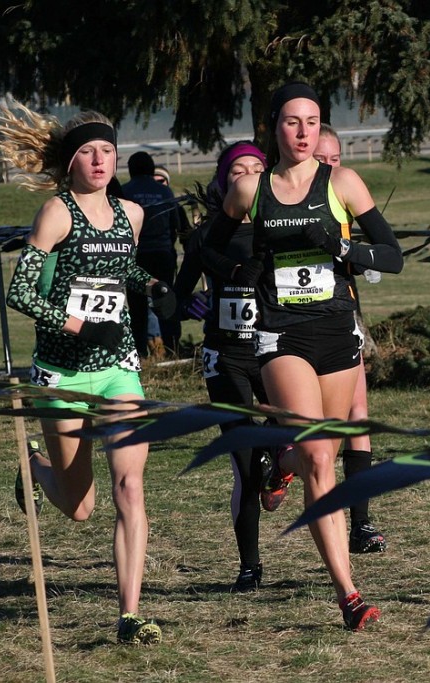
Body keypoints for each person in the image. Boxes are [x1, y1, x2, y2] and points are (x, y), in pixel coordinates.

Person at [204, 82, 403, 630]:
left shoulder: (343, 181)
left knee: (323, 454)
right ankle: (348, 594)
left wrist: (340, 245)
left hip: (336, 333)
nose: (303, 132)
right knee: (319, 457)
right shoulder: (251, 189)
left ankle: (275, 462)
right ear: (274, 127)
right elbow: (208, 247)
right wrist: (237, 273)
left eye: (312, 122)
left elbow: (392, 256)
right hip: (280, 336)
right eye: (292, 122)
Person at [0, 103, 177, 644]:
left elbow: (123, 270)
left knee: (130, 487)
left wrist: (154, 287)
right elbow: (20, 291)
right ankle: (36, 469)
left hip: (117, 367)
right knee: (79, 506)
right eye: (88, 152)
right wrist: (75, 325)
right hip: (61, 372)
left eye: (107, 151)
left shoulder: (131, 215)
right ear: (70, 163)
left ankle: (130, 614)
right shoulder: (57, 212)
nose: (99, 160)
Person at [170, 141, 272, 591]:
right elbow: (177, 294)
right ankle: (249, 566)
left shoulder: (282, 225)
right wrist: (178, 302)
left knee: (293, 450)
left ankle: (280, 462)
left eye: (256, 168)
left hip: (279, 352)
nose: (247, 177)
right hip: (225, 357)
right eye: (237, 171)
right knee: (246, 468)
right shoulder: (207, 234)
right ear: (222, 180)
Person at [286, 122, 386, 554]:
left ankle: (361, 523)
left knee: (357, 415)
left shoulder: (344, 194)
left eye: (335, 159)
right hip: (295, 322)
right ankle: (280, 462)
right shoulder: (289, 200)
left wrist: (360, 257)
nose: (328, 166)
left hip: (343, 310)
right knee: (320, 438)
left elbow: (379, 251)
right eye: (321, 159)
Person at [122, 151, 187, 358]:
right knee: (166, 302)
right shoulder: (165, 193)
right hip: (162, 254)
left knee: (137, 308)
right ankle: (172, 349)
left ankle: (140, 352)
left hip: (137, 257)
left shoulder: (124, 192)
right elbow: (175, 224)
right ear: (151, 169)